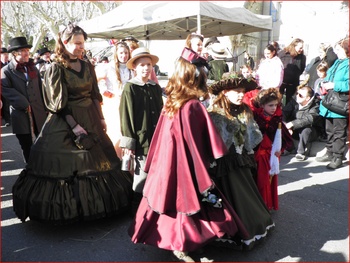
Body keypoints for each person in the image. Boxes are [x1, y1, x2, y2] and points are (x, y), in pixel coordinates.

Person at [128, 47, 249, 262]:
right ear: (194, 78)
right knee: (189, 198)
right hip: (187, 164)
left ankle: (180, 242)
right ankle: (185, 243)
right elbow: (204, 141)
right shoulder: (192, 106)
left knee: (170, 198)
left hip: (168, 164)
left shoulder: (173, 102)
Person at [11, 23, 133, 224]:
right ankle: (73, 211)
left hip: (91, 117)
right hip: (65, 120)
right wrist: (74, 126)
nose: (80, 47)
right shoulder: (56, 68)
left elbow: (95, 94)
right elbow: (57, 104)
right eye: (76, 43)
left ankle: (100, 205)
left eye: (82, 43)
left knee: (101, 159)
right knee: (70, 165)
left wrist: (101, 117)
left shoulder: (87, 65)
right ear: (65, 43)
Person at [207, 77, 275, 249]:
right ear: (225, 92)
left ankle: (251, 224)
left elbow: (252, 133)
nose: (240, 95)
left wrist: (244, 146)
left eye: (242, 92)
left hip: (240, 158)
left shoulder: (245, 110)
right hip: (223, 161)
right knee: (229, 195)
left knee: (245, 193)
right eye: (236, 92)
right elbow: (210, 140)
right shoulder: (215, 112)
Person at [119, 47, 164, 214]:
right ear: (135, 67)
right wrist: (129, 143)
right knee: (141, 177)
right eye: (142, 65)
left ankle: (153, 209)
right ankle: (137, 212)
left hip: (156, 138)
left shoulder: (155, 88)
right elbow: (126, 116)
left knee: (156, 174)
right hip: (141, 139)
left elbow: (160, 112)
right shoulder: (130, 88)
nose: (146, 68)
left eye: (149, 65)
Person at [1, 37, 47, 163]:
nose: (27, 53)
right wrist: (24, 103)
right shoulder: (6, 71)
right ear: (15, 53)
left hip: (39, 114)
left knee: (43, 145)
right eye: (23, 50)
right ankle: (31, 173)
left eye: (27, 50)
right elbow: (5, 90)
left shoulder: (33, 68)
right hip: (21, 116)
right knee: (27, 147)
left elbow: (40, 89)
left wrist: (46, 107)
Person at [253, 88, 294, 210]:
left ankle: (266, 204)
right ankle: (258, 205)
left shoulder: (277, 120)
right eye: (270, 105)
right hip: (257, 156)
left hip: (270, 156)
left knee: (267, 181)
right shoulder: (256, 119)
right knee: (258, 182)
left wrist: (280, 150)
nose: (273, 108)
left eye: (276, 105)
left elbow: (286, 140)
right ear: (261, 105)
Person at [316, 37, 349, 170]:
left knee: (339, 132)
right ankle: (330, 152)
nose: (337, 52)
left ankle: (338, 156)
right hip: (330, 102)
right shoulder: (338, 62)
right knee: (329, 130)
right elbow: (329, 76)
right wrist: (324, 84)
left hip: (340, 103)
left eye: (340, 50)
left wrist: (334, 85)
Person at [95, 41, 133, 158]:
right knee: (116, 131)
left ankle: (125, 157)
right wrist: (104, 90)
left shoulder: (131, 67)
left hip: (128, 102)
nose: (124, 55)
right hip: (113, 103)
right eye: (121, 53)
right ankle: (114, 156)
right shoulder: (108, 67)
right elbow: (96, 80)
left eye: (126, 53)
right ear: (116, 54)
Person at [283, 85, 321, 161]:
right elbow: (284, 112)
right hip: (294, 129)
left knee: (306, 129)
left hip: (311, 131)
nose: (297, 96)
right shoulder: (293, 102)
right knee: (281, 125)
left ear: (307, 98)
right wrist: (284, 123)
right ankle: (288, 147)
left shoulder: (315, 106)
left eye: (300, 95)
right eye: (297, 93)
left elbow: (309, 119)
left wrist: (292, 124)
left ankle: (301, 152)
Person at [278, 38, 306, 105]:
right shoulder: (283, 53)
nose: (301, 49)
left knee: (290, 103)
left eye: (302, 48)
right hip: (282, 82)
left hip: (293, 83)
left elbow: (301, 69)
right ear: (294, 46)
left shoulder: (302, 57)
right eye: (300, 48)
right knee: (277, 100)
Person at [1, 47, 11, 126]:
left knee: (9, 103)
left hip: (10, 86)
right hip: (2, 87)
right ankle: (7, 119)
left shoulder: (10, 64)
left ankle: (9, 119)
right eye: (4, 54)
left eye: (7, 54)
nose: (6, 56)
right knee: (4, 104)